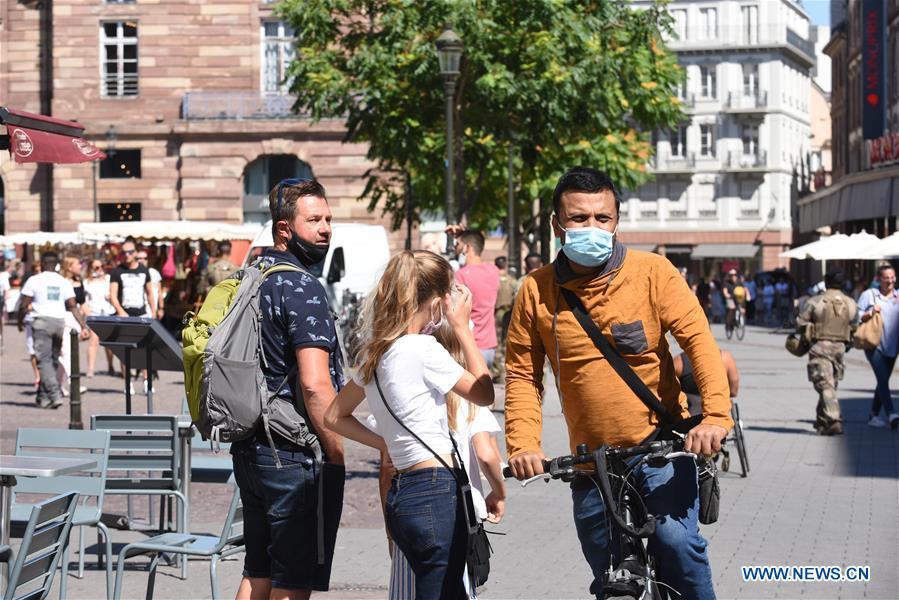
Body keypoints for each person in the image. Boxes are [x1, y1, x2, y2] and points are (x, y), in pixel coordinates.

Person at [504, 166, 731, 599]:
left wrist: (716, 417)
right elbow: (522, 375)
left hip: (661, 449)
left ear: (617, 221)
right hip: (592, 463)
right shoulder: (536, 291)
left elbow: (700, 344)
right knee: (608, 572)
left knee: (676, 544)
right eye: (578, 218)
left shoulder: (654, 273)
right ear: (557, 224)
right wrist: (524, 445)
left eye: (601, 218)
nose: (591, 227)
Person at [324, 250, 494, 600]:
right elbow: (484, 393)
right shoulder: (422, 349)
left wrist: (385, 442)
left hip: (403, 493)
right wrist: (462, 328)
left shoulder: (375, 353)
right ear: (435, 302)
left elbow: (333, 416)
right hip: (437, 490)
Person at [229, 179, 346, 600]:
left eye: (328, 219)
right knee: (291, 583)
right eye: (313, 220)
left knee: (257, 570)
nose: (325, 229)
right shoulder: (302, 287)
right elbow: (316, 385)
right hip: (292, 455)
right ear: (284, 229)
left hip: (250, 445)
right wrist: (335, 451)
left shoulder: (252, 276)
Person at [371, 321, 507, 599]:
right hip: (452, 512)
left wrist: (389, 531)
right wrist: (499, 491)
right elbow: (486, 453)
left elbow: (387, 469)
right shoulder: (468, 399)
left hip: (407, 512)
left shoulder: (406, 397)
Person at [17, 252, 90, 409]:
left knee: (43, 360)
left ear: (42, 264)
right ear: (56, 264)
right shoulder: (63, 282)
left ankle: (55, 394)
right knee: (54, 360)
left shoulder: (34, 280)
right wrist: (83, 326)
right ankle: (42, 398)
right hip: (59, 322)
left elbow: (24, 304)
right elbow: (72, 305)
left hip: (41, 322)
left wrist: (19, 321)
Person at [795, 269, 858, 436]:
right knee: (829, 385)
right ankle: (822, 422)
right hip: (840, 350)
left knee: (825, 385)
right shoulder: (850, 303)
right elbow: (855, 325)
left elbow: (800, 321)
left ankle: (834, 419)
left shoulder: (816, 301)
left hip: (819, 348)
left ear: (827, 282)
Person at [450, 230, 500, 372]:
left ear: (467, 248)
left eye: (458, 244)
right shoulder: (493, 270)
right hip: (489, 346)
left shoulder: (460, 275)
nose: (455, 248)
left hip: (470, 346)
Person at [857, 264, 899, 429]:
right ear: (879, 279)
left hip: (893, 346)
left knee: (883, 381)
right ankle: (891, 413)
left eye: (892, 277)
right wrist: (869, 313)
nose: (889, 280)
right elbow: (856, 315)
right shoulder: (870, 295)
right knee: (882, 379)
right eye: (886, 277)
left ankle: (873, 415)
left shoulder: (898, 296)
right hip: (873, 345)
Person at [674, 350, 740, 418]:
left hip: (690, 414)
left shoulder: (679, 361)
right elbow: (733, 392)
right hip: (717, 414)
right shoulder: (725, 358)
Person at [58, 256, 88, 396]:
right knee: (67, 352)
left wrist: (86, 323)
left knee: (65, 353)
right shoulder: (61, 282)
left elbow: (82, 303)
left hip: (76, 319)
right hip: (64, 317)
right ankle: (73, 383)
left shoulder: (79, 282)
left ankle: (57, 385)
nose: (80, 266)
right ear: (69, 267)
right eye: (77, 264)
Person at [84, 258, 117, 377]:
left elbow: (115, 294)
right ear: (91, 269)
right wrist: (87, 315)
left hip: (108, 312)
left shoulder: (108, 280)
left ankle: (110, 365)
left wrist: (112, 297)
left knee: (109, 343)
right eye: (97, 267)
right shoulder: (87, 282)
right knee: (94, 341)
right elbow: (84, 302)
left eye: (102, 266)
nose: (100, 269)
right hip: (94, 314)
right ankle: (90, 369)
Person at [110, 238, 156, 319]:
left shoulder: (144, 270)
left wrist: (153, 312)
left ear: (136, 253)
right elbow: (113, 295)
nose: (127, 255)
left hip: (142, 315)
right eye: (124, 252)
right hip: (123, 315)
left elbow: (150, 293)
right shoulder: (116, 271)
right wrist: (121, 312)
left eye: (130, 252)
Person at [493, 256, 516, 381]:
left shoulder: (492, 280)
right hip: (508, 312)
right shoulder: (512, 281)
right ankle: (507, 370)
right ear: (505, 266)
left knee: (495, 340)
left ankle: (496, 370)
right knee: (506, 340)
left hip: (495, 313)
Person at [136, 249, 163, 320]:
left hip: (152, 312)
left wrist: (161, 308)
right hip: (138, 312)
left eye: (145, 258)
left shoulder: (154, 272)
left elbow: (159, 292)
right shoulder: (133, 275)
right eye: (140, 258)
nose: (142, 260)